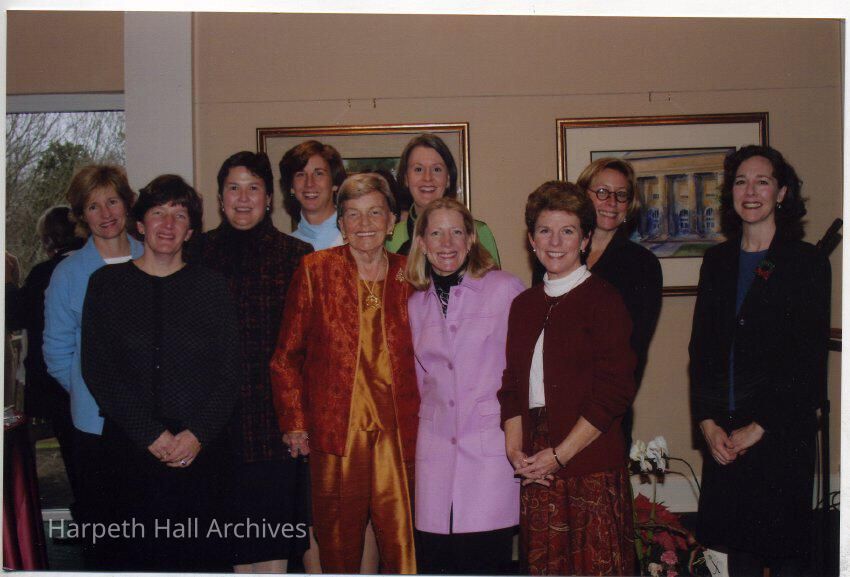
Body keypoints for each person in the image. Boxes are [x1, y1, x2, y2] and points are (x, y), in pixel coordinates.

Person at [81, 174, 239, 572]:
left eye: (180, 215)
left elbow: (230, 373)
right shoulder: (106, 285)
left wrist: (197, 435)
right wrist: (149, 434)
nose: (168, 224)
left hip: (199, 455)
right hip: (129, 453)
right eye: (158, 213)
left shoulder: (213, 288)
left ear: (191, 231)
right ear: (140, 223)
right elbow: (98, 369)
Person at [689, 145, 830, 577]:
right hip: (724, 438)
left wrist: (761, 425)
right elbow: (701, 351)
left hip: (778, 435)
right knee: (734, 557)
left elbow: (806, 359)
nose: (750, 191)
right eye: (740, 182)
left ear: (782, 193)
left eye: (762, 182)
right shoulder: (717, 261)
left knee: (784, 557)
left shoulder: (805, 262)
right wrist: (707, 422)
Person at [271, 172, 419, 574]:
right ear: (341, 223)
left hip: (399, 433)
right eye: (353, 214)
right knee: (337, 543)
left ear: (393, 221)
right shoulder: (316, 270)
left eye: (375, 213)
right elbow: (286, 356)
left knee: (402, 545)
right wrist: (294, 423)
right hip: (336, 433)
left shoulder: (412, 275)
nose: (364, 224)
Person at [499, 181, 637, 576]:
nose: (555, 242)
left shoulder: (604, 299)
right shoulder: (523, 305)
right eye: (545, 230)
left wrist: (559, 456)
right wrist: (515, 452)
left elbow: (614, 392)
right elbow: (512, 387)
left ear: (585, 239)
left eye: (568, 231)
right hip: (537, 466)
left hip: (589, 462)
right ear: (531, 239)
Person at [201, 151, 313, 573]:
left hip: (273, 426)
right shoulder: (196, 253)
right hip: (212, 428)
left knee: (272, 547)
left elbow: (305, 348)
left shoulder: (296, 256)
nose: (243, 198)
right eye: (234, 188)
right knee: (224, 551)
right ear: (220, 197)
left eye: (253, 188)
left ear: (269, 198)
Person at [406, 197, 523, 574]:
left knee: (484, 562)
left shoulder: (504, 288)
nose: (447, 243)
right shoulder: (415, 303)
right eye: (436, 233)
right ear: (421, 242)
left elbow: (523, 371)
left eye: (456, 232)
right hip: (435, 454)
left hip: (489, 452)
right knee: (436, 564)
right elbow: (421, 382)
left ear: (471, 239)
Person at [43, 165, 144, 567]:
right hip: (95, 426)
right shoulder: (68, 274)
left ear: (128, 203)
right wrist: (93, 392)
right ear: (81, 215)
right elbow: (57, 354)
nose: (105, 214)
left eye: (112, 201)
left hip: (156, 422)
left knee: (154, 533)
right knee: (107, 540)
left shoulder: (155, 254)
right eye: (93, 206)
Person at [576, 158, 662, 447]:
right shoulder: (557, 253)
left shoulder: (643, 265)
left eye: (621, 194)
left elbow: (634, 349)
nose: (611, 202)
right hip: (554, 404)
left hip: (606, 411)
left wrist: (603, 409)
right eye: (602, 192)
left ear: (630, 204)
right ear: (583, 195)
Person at [6, 207, 84, 504]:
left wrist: (8, 282)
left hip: (58, 387)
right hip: (84, 384)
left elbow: (15, 314)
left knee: (77, 462)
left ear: (50, 240)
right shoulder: (92, 266)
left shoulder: (45, 274)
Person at [386, 133, 500, 264]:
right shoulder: (392, 237)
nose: (427, 178)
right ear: (406, 178)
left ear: (448, 179)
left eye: (436, 169)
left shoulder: (478, 232)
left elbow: (493, 276)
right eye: (418, 169)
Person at [279, 140, 347, 250]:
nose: (309, 183)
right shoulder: (283, 249)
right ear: (291, 187)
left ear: (335, 183)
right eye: (300, 174)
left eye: (319, 173)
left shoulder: (356, 241)